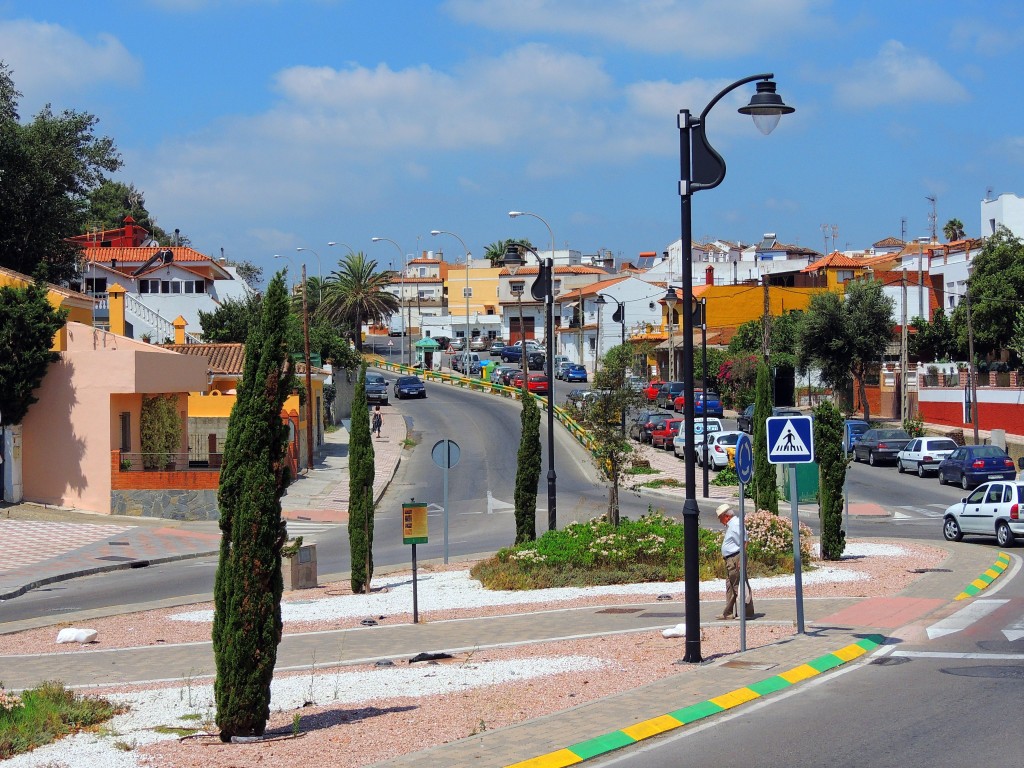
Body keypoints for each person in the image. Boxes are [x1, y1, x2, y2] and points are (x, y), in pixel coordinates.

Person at [716, 503, 754, 620]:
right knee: (730, 586)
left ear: (726, 516)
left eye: (720, 518)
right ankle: (728, 613)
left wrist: (741, 559)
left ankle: (745, 612)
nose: (720, 521)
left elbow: (745, 541)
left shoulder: (736, 524)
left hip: (735, 558)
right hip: (731, 559)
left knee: (739, 585)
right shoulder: (732, 524)